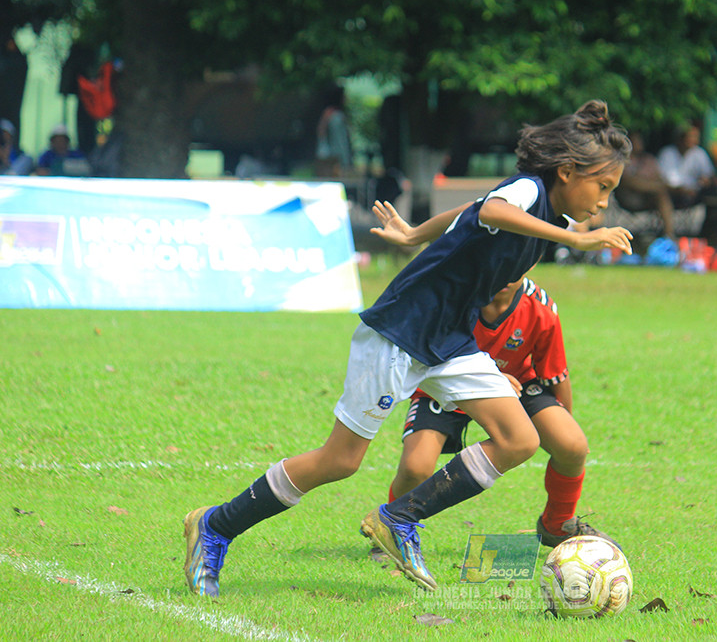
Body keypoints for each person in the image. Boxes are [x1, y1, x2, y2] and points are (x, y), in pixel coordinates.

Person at [182, 100, 634, 597]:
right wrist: (579, 239)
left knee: (519, 439)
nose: (604, 202)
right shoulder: (529, 190)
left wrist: (415, 232)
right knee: (341, 460)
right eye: (603, 186)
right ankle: (216, 525)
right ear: (566, 171)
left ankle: (399, 518)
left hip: (451, 339)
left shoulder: (540, 210)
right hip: (402, 329)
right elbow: (490, 209)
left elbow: (472, 211)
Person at [386, 274, 617, 549]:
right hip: (446, 385)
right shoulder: (454, 295)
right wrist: (487, 377)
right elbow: (423, 354)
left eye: (517, 262)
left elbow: (555, 374)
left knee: (572, 445)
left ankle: (557, 525)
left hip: (517, 384)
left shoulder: (540, 307)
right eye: (501, 260)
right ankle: (392, 531)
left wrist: (564, 423)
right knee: (416, 467)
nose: (507, 271)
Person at [613, 131, 676, 238]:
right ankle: (669, 234)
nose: (638, 143)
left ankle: (669, 234)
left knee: (661, 195)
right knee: (660, 189)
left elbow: (659, 177)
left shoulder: (649, 159)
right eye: (634, 141)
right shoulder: (622, 161)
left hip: (649, 197)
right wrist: (652, 185)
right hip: (629, 198)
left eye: (639, 141)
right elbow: (628, 181)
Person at [656, 122, 717, 210]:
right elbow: (663, 178)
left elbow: (708, 174)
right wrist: (681, 190)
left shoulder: (699, 153)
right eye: (691, 136)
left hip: (694, 192)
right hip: (673, 192)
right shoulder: (667, 153)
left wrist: (706, 180)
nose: (694, 140)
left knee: (714, 191)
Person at [315, 86, 353, 177]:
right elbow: (321, 131)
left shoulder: (339, 112)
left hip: (341, 146)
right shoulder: (329, 112)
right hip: (332, 149)